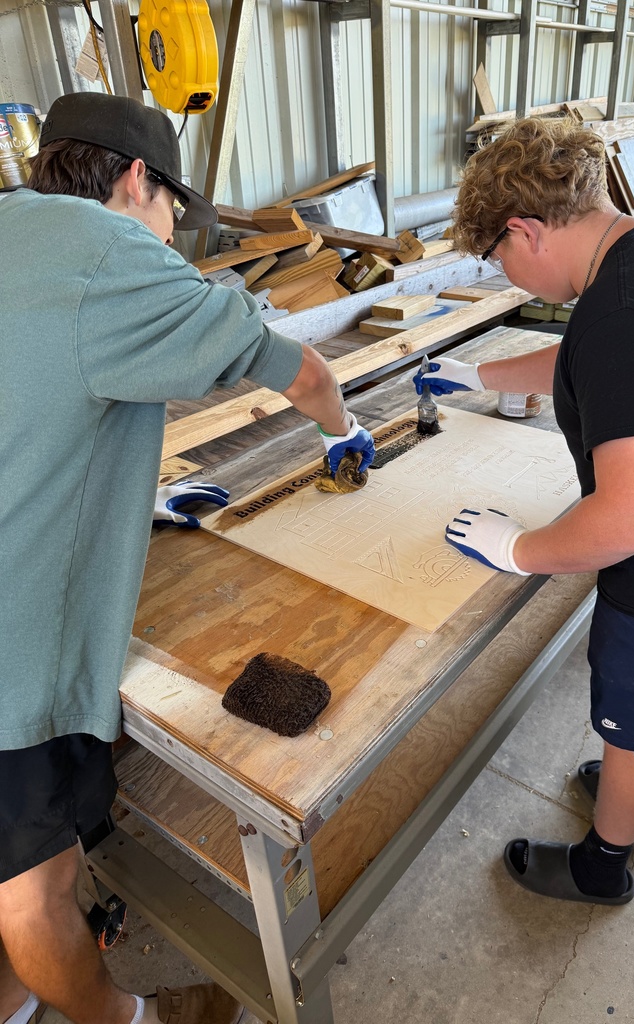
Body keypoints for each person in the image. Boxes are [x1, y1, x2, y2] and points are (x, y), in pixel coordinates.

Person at [0, 91, 375, 1024]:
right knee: (32, 894)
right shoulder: (109, 251)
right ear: (137, 179)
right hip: (11, 652)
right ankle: (119, 1016)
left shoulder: (10, 224)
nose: (170, 236)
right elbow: (299, 370)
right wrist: (343, 433)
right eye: (173, 211)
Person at [414, 116, 634, 907]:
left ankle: (602, 865)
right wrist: (482, 373)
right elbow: (600, 362)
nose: (506, 274)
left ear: (524, 230)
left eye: (499, 257)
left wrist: (520, 550)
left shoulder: (626, 310)